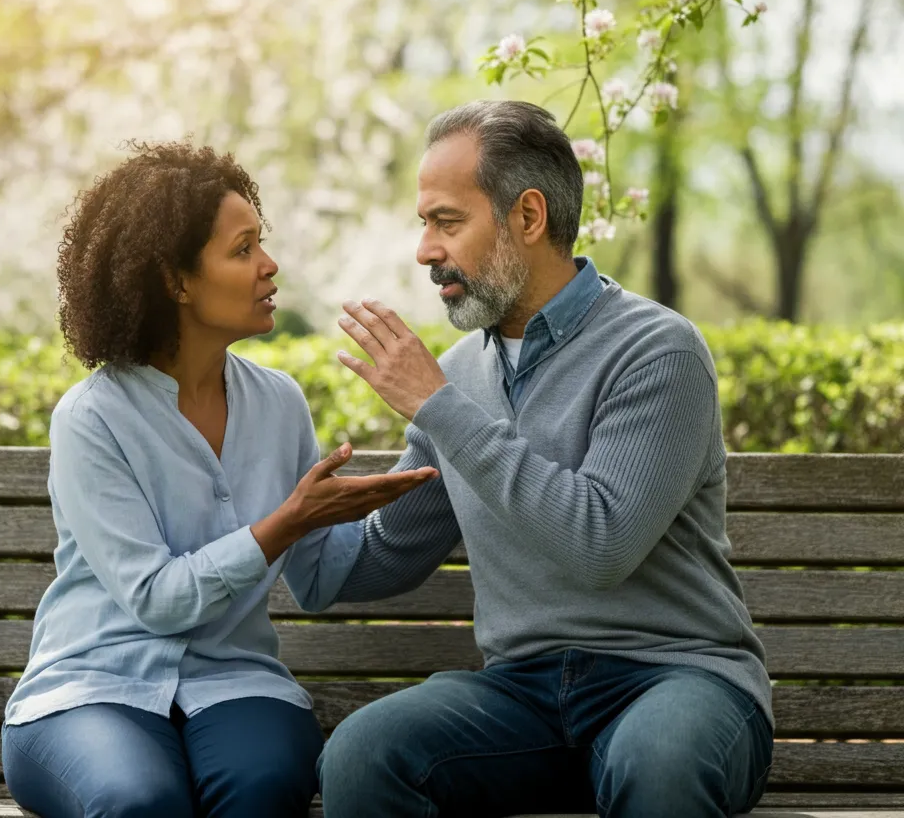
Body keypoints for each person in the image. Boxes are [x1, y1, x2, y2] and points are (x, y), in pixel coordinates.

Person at [316, 100, 774, 818]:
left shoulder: (657, 350)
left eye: (446, 221)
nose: (425, 252)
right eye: (424, 224)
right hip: (522, 697)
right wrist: (275, 512)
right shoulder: (461, 375)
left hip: (674, 681)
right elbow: (386, 554)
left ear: (527, 218)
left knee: (657, 764)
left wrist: (439, 407)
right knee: (364, 755)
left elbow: (602, 545)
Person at [1, 140, 437, 818]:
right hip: (91, 687)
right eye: (242, 251)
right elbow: (157, 599)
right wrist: (284, 522)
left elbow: (319, 578)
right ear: (176, 281)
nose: (269, 267)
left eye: (261, 244)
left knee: (260, 790)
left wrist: (436, 457)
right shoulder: (92, 418)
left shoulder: (279, 402)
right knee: (139, 801)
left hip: (235, 683)